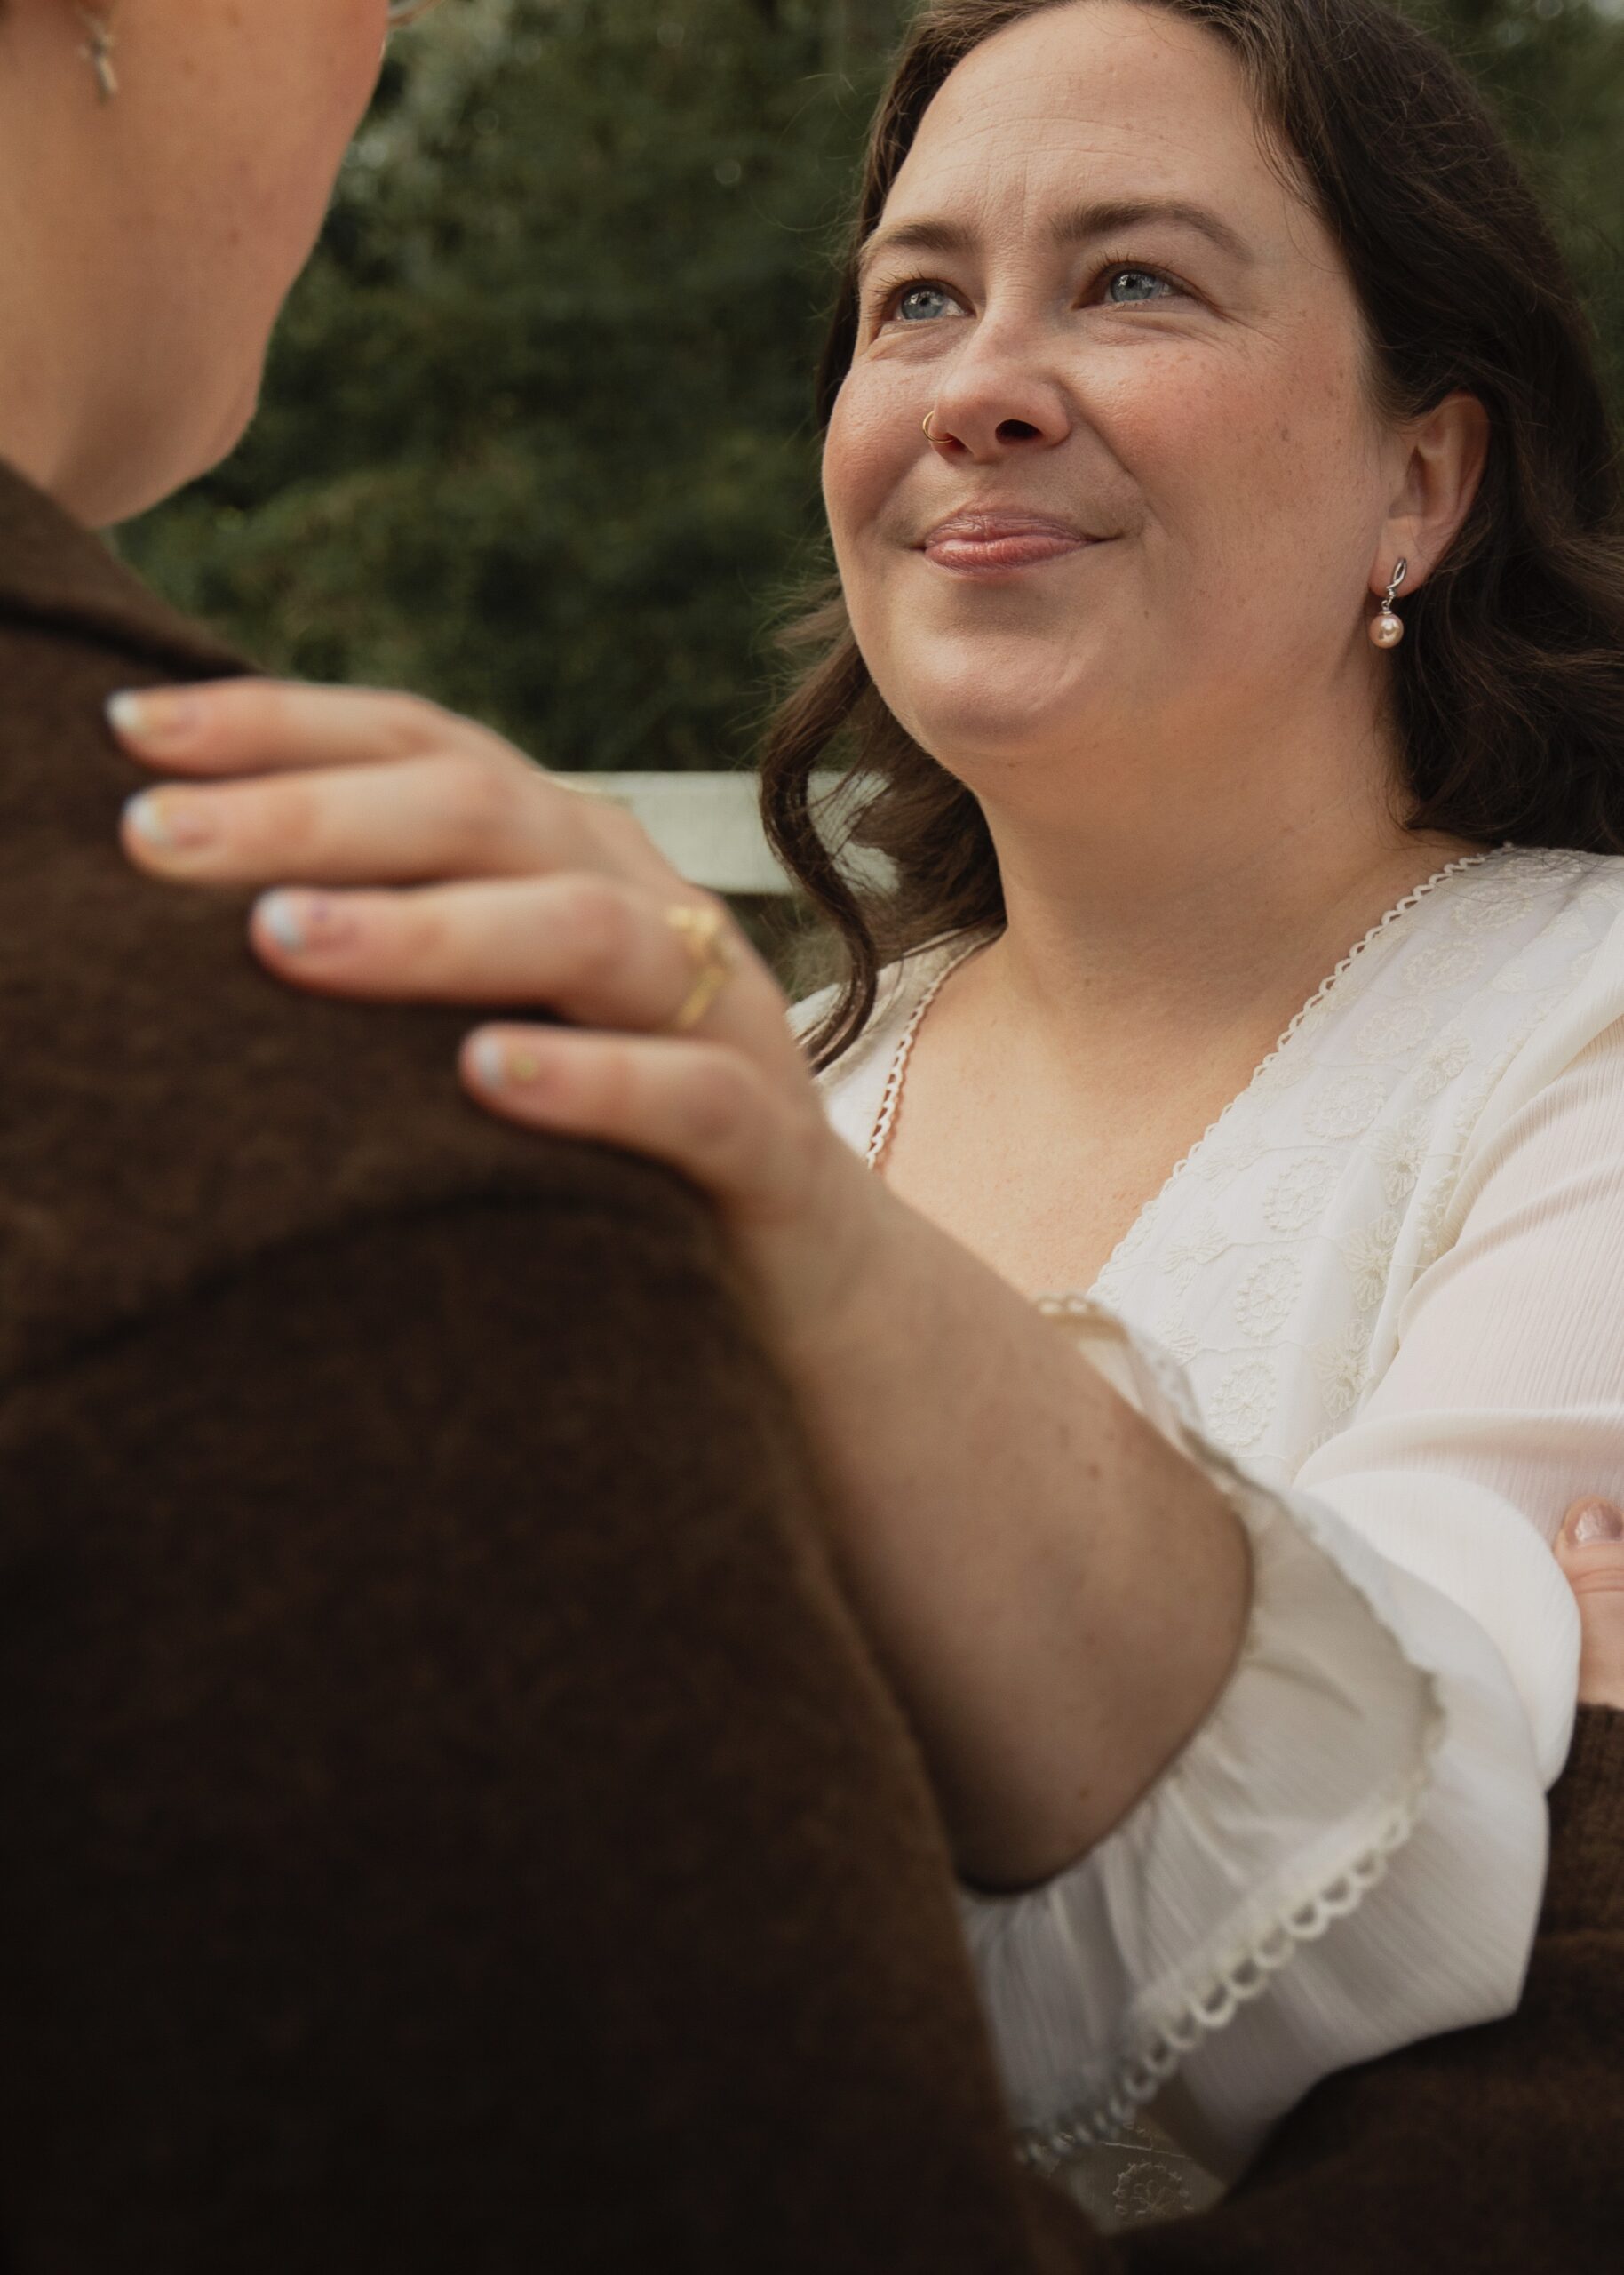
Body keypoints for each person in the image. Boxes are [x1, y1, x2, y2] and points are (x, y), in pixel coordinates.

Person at [115, 0, 1624, 2219]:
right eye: (914, 297)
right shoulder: (766, 1091)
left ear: (1423, 476)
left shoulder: (1580, 1027)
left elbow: (1369, 1960)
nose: (974, 384)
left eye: (1132, 281)